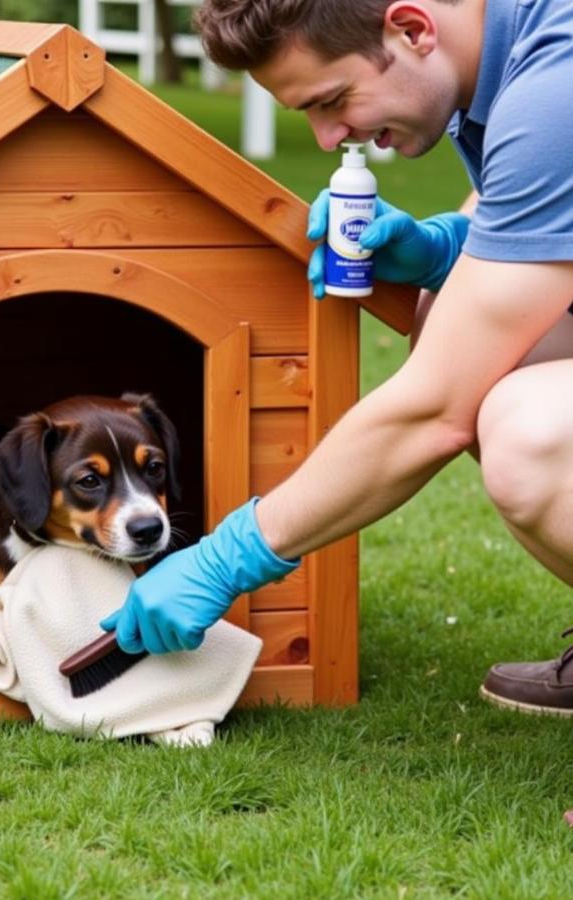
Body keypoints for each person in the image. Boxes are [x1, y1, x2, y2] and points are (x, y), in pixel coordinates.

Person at [101, 0, 573, 715]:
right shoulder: (513, 54)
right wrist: (444, 245)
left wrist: (229, 558)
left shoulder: (555, 89)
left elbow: (434, 409)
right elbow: (510, 206)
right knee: (449, 315)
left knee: (529, 431)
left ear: (411, 29)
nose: (329, 138)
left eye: (333, 100)